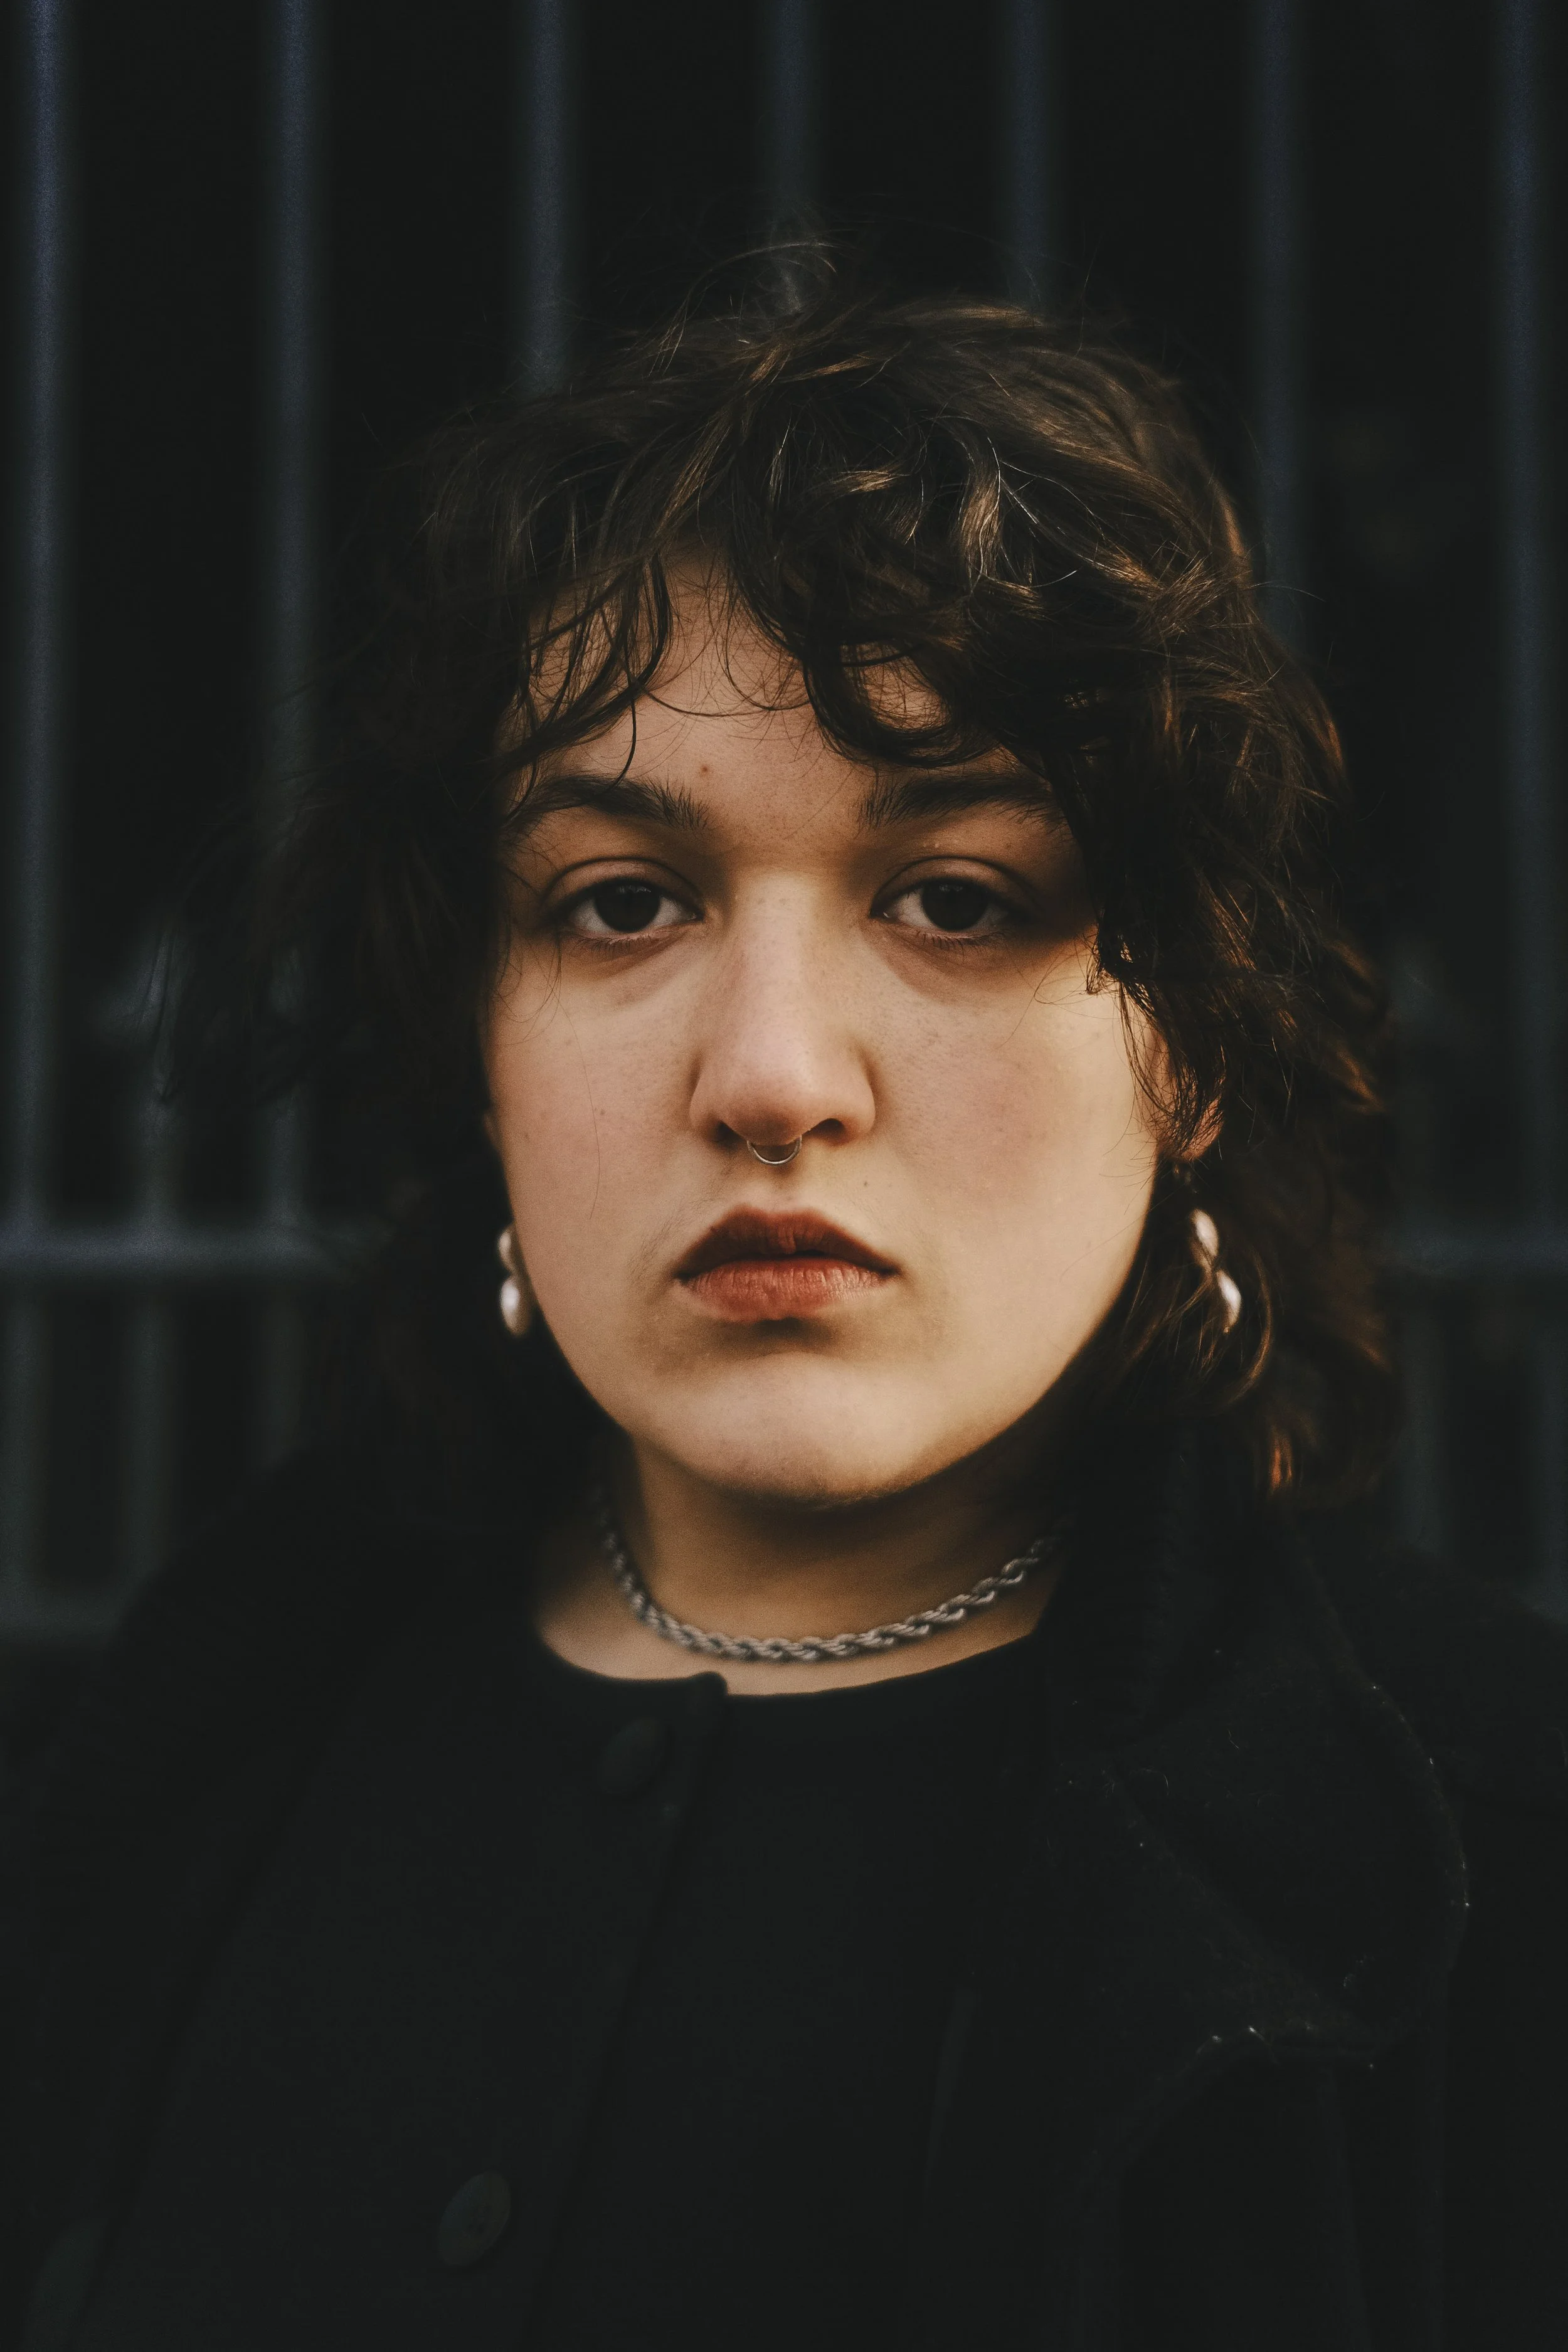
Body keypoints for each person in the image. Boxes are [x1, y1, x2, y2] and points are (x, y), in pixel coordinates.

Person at [5, 265, 1567, 2352]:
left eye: (955, 898)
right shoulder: (180, 1766)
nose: (768, 1075)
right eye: (620, 903)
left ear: (1185, 1044)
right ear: (481, 1039)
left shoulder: (1492, 1860)